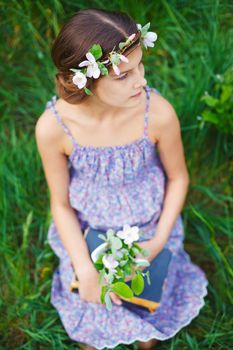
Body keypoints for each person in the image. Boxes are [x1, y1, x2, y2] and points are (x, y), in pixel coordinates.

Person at [35, 8, 208, 350]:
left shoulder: (156, 113)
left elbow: (178, 179)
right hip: (90, 230)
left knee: (147, 330)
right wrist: (84, 267)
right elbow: (61, 203)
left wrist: (156, 243)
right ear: (79, 80)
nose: (141, 80)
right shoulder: (54, 128)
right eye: (123, 76)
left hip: (148, 227)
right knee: (94, 328)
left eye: (141, 66)